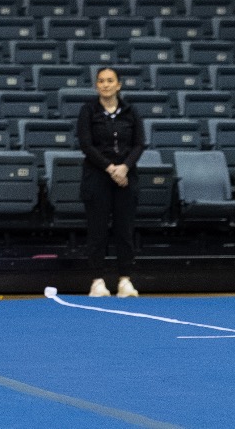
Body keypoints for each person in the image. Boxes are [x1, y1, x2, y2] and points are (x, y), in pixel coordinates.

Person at [77, 67, 143, 298]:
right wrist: (110, 167)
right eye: (101, 81)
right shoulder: (88, 111)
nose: (105, 85)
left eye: (110, 81)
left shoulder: (130, 111)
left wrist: (124, 167)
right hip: (97, 177)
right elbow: (86, 145)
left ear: (118, 85)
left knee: (124, 230)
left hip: (125, 177)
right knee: (98, 230)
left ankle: (125, 279)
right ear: (97, 86)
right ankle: (98, 280)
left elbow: (139, 144)